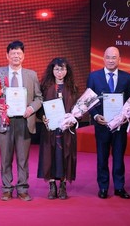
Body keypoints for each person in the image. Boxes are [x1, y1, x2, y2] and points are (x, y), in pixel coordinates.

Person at [0, 40, 42, 202]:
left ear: (23, 56)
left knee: (23, 158)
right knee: (5, 158)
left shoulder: (31, 75)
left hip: (24, 121)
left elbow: (39, 98)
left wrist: (31, 108)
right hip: (5, 120)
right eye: (13, 53)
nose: (16, 56)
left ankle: (22, 188)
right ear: (7, 55)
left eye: (19, 53)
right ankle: (6, 188)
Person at [87, 46, 130, 199]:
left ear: (119, 59)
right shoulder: (94, 77)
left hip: (120, 126)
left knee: (119, 157)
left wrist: (126, 115)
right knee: (102, 158)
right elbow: (88, 101)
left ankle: (119, 187)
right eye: (108, 57)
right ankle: (103, 187)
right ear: (104, 58)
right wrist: (95, 116)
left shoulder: (127, 77)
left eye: (114, 57)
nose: (111, 60)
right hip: (102, 125)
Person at [36, 57, 78, 200]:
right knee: (50, 156)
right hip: (50, 129)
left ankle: (63, 186)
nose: (60, 72)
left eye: (63, 69)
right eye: (57, 69)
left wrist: (73, 119)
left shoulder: (72, 87)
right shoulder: (45, 87)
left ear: (67, 70)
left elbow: (78, 109)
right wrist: (43, 117)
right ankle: (52, 185)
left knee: (65, 155)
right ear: (52, 70)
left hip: (67, 130)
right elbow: (40, 108)